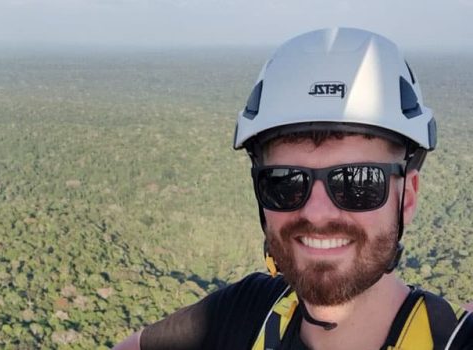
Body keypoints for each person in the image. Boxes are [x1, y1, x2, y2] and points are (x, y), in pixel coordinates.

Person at [114, 27, 473, 349]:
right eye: (285, 182)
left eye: (358, 181)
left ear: (407, 197)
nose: (316, 212)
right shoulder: (245, 313)